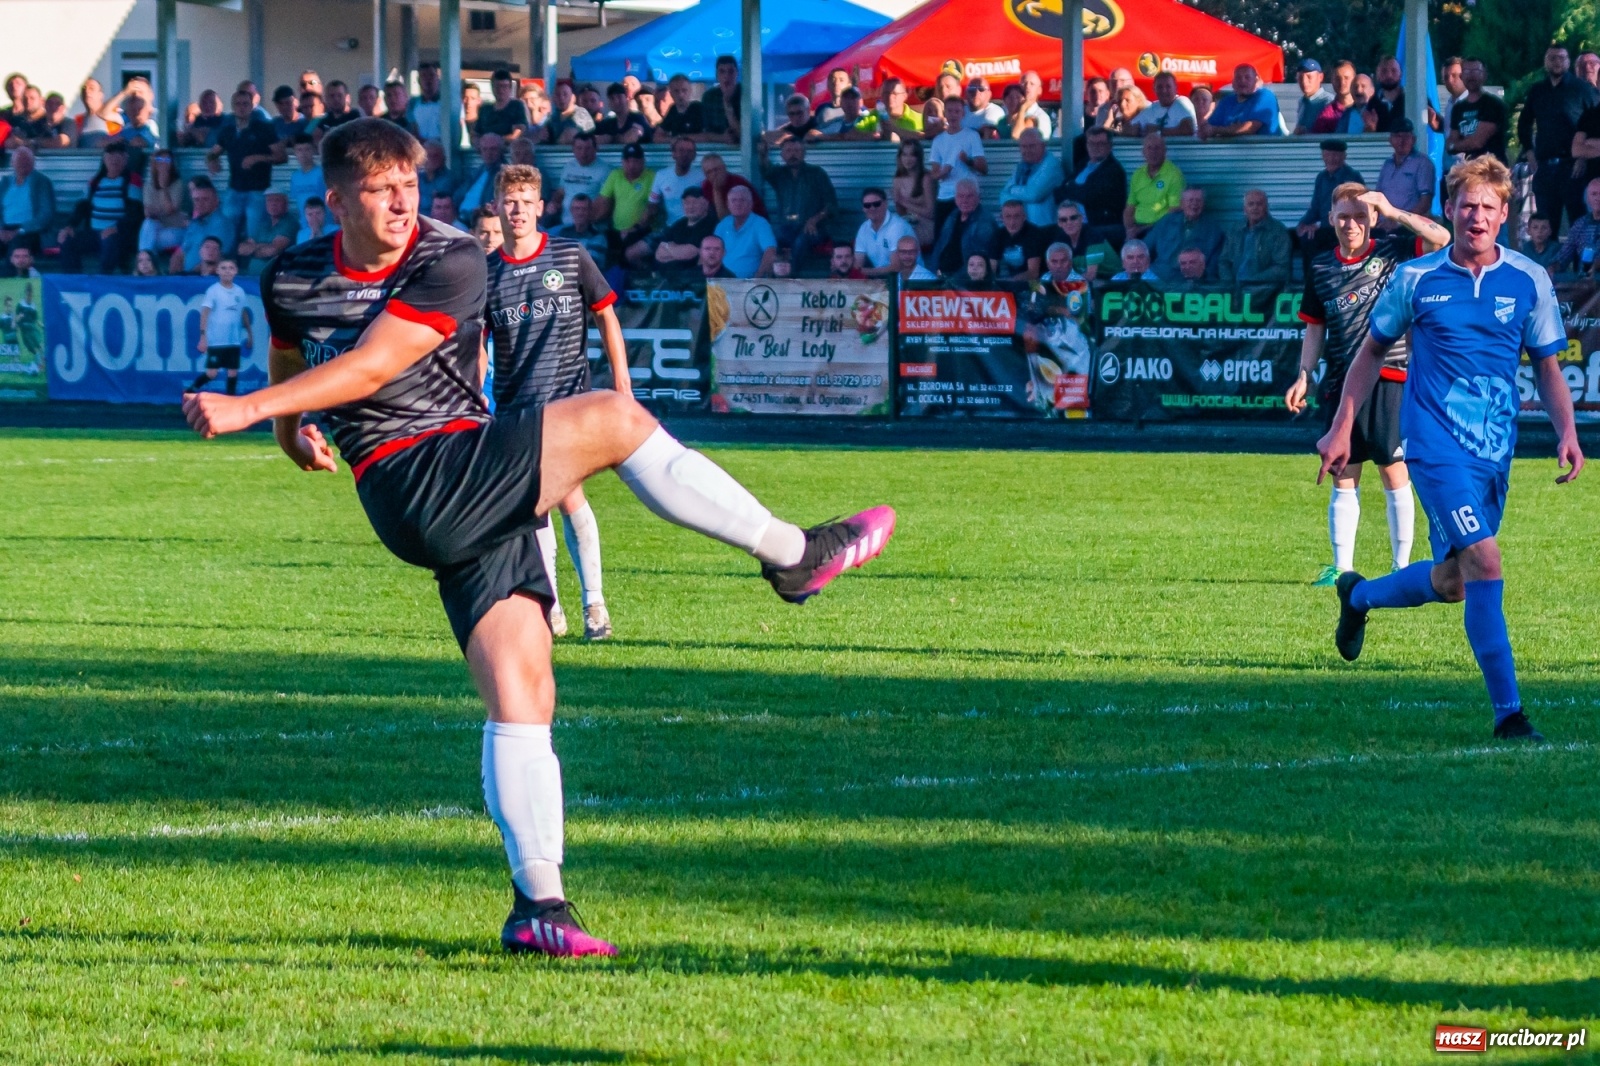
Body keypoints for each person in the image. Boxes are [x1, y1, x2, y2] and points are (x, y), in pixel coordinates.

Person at [182, 118, 894, 958]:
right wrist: (281, 427)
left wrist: (258, 414)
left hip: (467, 471)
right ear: (334, 199)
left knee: (524, 697)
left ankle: (540, 906)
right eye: (378, 189)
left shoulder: (449, 257)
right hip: (417, 480)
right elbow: (291, 358)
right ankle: (795, 556)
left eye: (409, 181)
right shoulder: (291, 275)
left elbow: (374, 361)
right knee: (617, 418)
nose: (401, 200)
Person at [1319, 156, 1581, 743]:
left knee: (1456, 581)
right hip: (1433, 447)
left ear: (1505, 213)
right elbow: (1369, 353)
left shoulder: (1529, 279)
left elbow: (1547, 366)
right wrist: (1342, 428)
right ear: (1450, 210)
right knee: (1486, 561)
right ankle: (1509, 715)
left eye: (1489, 206)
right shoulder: (1416, 281)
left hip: (1494, 451)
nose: (1477, 216)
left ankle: (1357, 595)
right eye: (1467, 205)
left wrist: (1566, 430)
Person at [486, 164, 629, 640]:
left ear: (541, 208)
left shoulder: (570, 256)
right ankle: (557, 607)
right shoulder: (486, 275)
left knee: (567, 496)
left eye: (527, 201)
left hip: (568, 405)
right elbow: (473, 342)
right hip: (515, 410)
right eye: (510, 201)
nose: (518, 209)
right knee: (536, 507)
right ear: (497, 207)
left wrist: (623, 390)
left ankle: (593, 606)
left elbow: (607, 315)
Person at [1290, 182, 1450, 584]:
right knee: (1343, 472)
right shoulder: (1322, 267)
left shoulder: (1393, 251)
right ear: (1330, 219)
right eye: (1343, 216)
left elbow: (1442, 238)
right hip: (1341, 382)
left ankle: (1402, 565)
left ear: (1373, 219)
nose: (1351, 224)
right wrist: (1304, 375)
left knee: (1393, 470)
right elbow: (1314, 329)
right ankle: (1341, 569)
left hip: (1392, 376)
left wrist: (1394, 211)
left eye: (1360, 215)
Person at [1518, 45, 1599, 231]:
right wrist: (1529, 151)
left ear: (1569, 62)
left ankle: (1582, 261)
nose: (1557, 62)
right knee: (1546, 227)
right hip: (1544, 168)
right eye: (1553, 58)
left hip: (1574, 168)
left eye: (1562, 58)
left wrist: (1583, 157)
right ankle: (1550, 261)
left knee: (1580, 224)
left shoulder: (1583, 90)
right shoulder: (1537, 90)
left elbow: (1595, 126)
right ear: (1546, 62)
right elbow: (1524, 124)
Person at [209, 88, 284, 248]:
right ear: (232, 107)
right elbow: (213, 152)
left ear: (252, 106)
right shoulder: (227, 131)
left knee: (254, 234)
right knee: (226, 232)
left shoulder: (264, 128)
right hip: (234, 188)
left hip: (258, 190)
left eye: (245, 104)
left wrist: (258, 158)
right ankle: (227, 264)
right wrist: (212, 160)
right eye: (238, 104)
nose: (242, 107)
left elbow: (281, 156)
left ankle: (251, 268)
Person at [60, 141, 143, 274]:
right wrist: (69, 226)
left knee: (110, 243)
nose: (114, 160)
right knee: (67, 240)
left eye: (119, 156)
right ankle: (74, 282)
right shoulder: (95, 181)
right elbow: (81, 207)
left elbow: (136, 212)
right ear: (104, 159)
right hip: (94, 233)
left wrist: (116, 228)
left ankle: (103, 280)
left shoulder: (133, 180)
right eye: (110, 156)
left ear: (125, 160)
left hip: (118, 234)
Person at [759, 138, 836, 274]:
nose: (792, 154)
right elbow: (765, 168)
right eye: (788, 151)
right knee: (771, 240)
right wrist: (763, 154)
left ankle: (791, 280)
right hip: (788, 228)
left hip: (814, 229)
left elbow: (832, 204)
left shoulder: (817, 173)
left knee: (800, 242)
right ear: (782, 155)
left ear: (804, 153)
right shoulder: (779, 174)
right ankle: (769, 280)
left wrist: (815, 219)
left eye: (797, 150)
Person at [188, 258, 252, 394]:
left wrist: (250, 334)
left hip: (233, 339)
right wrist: (203, 337)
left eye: (231, 268)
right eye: (223, 268)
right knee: (212, 374)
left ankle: (230, 402)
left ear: (236, 271)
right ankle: (190, 391)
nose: (227, 271)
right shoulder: (213, 291)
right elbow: (205, 313)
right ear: (217, 270)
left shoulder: (239, 291)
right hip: (216, 340)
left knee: (233, 372)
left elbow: (243, 312)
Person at [1296, 140, 1363, 263]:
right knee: (1300, 235)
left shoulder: (1352, 177)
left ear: (1344, 156)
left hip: (1344, 228)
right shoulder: (1321, 178)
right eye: (1327, 155)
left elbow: (1349, 211)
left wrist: (1318, 225)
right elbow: (1315, 207)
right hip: (1325, 228)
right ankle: (1311, 281)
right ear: (1322, 156)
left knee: (1314, 238)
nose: (1331, 159)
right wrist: (1303, 224)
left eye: (1336, 155)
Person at [927, 96, 987, 232]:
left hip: (967, 196)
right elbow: (934, 174)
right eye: (950, 111)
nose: (953, 115)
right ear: (944, 113)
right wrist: (944, 172)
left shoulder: (972, 136)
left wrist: (968, 161)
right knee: (942, 239)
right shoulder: (938, 140)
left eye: (957, 111)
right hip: (945, 196)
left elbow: (984, 169)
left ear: (963, 113)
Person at [1144, 187, 1224, 281]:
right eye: (1190, 200)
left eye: (1198, 200)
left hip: (1192, 281)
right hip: (1159, 276)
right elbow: (1144, 247)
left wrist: (1205, 278)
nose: (1194, 204)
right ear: (1181, 204)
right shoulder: (1166, 222)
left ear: (1203, 204)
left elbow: (1215, 262)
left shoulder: (1213, 229)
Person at [1061, 126, 1127, 233]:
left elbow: (1088, 195)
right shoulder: (1083, 164)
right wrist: (1072, 189)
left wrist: (1071, 187)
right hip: (1074, 225)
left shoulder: (1114, 170)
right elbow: (1062, 189)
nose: (1095, 147)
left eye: (1100, 144)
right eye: (1091, 143)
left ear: (1109, 146)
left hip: (1098, 227)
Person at [597, 142, 655, 263]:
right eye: (628, 161)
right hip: (616, 230)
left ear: (643, 161)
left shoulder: (652, 177)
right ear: (622, 162)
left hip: (641, 230)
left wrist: (634, 228)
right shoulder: (615, 175)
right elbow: (602, 201)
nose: (631, 165)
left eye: (636, 161)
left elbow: (652, 209)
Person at [1217, 189, 1291, 283]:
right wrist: (1229, 284)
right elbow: (1223, 261)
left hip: (1265, 290)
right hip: (1234, 289)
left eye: (1259, 204)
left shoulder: (1278, 231)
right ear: (1244, 209)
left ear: (1267, 208)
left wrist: (1252, 284)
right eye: (1251, 204)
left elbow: (1281, 268)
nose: (1255, 207)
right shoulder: (1234, 230)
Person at [1374, 119, 1435, 229]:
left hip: (1410, 228)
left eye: (1406, 136)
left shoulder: (1423, 163)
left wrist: (1399, 222)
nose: (1402, 141)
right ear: (1390, 140)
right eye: (1397, 136)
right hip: (1383, 226)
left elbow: (1425, 202)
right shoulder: (1387, 165)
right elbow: (1377, 196)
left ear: (1413, 139)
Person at [1446, 59, 1508, 165]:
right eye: (1466, 72)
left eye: (1475, 71)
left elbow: (1477, 143)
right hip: (1469, 168)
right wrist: (1459, 144)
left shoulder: (1493, 104)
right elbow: (1449, 145)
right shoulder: (1458, 108)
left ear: (1484, 75)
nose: (1471, 76)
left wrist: (1457, 144)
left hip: (1493, 169)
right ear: (1462, 77)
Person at [1123, 131, 1184, 240]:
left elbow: (1174, 212)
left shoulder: (1174, 175)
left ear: (1165, 151)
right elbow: (1129, 208)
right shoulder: (1138, 174)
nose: (1153, 152)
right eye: (1149, 148)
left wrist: (1141, 230)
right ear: (1143, 152)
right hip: (1137, 228)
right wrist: (1129, 229)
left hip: (1161, 229)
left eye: (1157, 148)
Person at [930, 178, 996, 277]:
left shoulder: (984, 222)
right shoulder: (953, 215)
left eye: (969, 196)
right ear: (955, 198)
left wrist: (954, 280)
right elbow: (940, 246)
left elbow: (977, 264)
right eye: (961, 196)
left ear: (978, 198)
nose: (964, 200)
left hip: (962, 281)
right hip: (942, 277)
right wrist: (933, 272)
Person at [1002, 129, 1064, 228]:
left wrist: (1012, 189)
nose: (1027, 151)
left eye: (1031, 146)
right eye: (1023, 147)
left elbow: (1034, 194)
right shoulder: (1021, 166)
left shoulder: (1052, 165)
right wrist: (1019, 193)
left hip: (1045, 229)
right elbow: (1003, 197)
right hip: (1023, 229)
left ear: (1043, 146)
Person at [172, 176, 234, 274]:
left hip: (203, 278)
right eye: (196, 200)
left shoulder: (222, 224)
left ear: (216, 200)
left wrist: (189, 275)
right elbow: (183, 249)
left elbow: (214, 259)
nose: (200, 204)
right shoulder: (194, 223)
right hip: (185, 277)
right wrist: (177, 257)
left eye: (205, 199)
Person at [1200, 64, 1281, 138]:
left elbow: (1249, 128)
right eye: (1238, 77)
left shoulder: (1265, 96)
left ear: (1256, 81)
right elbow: (1208, 127)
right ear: (1233, 82)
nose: (1242, 81)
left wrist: (1216, 130)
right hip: (1231, 151)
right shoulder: (1227, 101)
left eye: (1247, 77)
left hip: (1265, 151)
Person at [712, 184, 776, 277]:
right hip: (721, 283)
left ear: (751, 204)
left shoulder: (760, 224)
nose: (738, 204)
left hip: (748, 285)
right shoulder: (723, 224)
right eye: (733, 200)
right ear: (728, 205)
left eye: (742, 200)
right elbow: (709, 249)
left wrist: (757, 280)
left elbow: (771, 251)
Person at [0, 147, 55, 254]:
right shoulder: (5, 182)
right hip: (4, 228)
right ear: (12, 163)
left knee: (16, 249)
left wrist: (19, 231)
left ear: (33, 163)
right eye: (19, 161)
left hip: (29, 231)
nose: (22, 164)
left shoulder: (42, 182)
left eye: (26, 161)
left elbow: (46, 214)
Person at [649, 187, 717, 271]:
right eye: (687, 203)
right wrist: (678, 252)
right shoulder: (679, 224)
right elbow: (659, 254)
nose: (690, 207)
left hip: (692, 278)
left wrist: (669, 247)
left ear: (706, 204)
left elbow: (690, 253)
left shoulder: (710, 224)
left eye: (695, 202)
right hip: (668, 275)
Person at [853, 186, 916, 277]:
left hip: (909, 280)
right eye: (867, 205)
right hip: (884, 280)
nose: (872, 208)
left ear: (886, 204)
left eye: (876, 204)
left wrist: (863, 272)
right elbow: (857, 264)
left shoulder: (897, 226)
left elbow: (896, 267)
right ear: (863, 208)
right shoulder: (863, 228)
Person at [551, 132, 608, 227]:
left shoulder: (605, 170)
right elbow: (561, 192)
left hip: (591, 227)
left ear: (595, 149)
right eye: (579, 148)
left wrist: (586, 223)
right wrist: (554, 203)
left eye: (588, 149)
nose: (583, 153)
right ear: (573, 150)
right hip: (565, 224)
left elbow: (606, 204)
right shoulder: (568, 167)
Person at [236, 190, 298, 275]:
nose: (273, 204)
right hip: (253, 276)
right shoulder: (263, 222)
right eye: (269, 200)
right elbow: (241, 249)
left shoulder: (290, 222)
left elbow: (274, 250)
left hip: (273, 277)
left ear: (286, 204)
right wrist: (264, 246)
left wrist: (253, 249)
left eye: (277, 200)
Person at [646, 137, 702, 227]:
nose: (685, 154)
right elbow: (652, 205)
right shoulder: (661, 175)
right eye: (681, 150)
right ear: (673, 154)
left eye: (689, 151)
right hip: (670, 227)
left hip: (696, 227)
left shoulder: (702, 177)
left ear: (694, 156)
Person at [891, 140, 937, 248]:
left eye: (912, 155)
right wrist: (897, 202)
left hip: (925, 225)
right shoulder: (897, 179)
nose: (908, 159)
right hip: (908, 222)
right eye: (905, 154)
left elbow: (931, 213)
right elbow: (901, 212)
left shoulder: (926, 178)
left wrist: (903, 201)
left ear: (918, 157)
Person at [988, 199, 1046, 282]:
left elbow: (1033, 273)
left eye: (1016, 216)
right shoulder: (997, 235)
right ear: (1001, 218)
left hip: (1036, 284)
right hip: (1010, 283)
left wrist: (1010, 282)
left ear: (1024, 217)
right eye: (1008, 217)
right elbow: (991, 269)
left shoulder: (1034, 234)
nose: (1012, 222)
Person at [1552, 177, 1600, 274]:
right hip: (1583, 280)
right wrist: (1552, 268)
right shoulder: (1580, 225)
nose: (1598, 198)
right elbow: (1563, 256)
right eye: (1594, 194)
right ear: (1587, 198)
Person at [700, 153, 765, 219]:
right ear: (705, 175)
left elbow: (726, 219)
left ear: (724, 168)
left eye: (716, 170)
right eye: (709, 172)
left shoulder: (738, 184)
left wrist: (717, 191)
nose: (714, 174)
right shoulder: (706, 186)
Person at [552, 194, 611, 267]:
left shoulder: (598, 237)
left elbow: (589, 265)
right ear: (571, 211)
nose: (580, 213)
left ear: (590, 211)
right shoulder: (563, 233)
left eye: (584, 209)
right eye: (577, 209)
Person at [455, 134, 505, 218]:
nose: (489, 153)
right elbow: (458, 195)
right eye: (485, 149)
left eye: (493, 149)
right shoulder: (477, 171)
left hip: (480, 219)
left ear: (500, 151)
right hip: (460, 216)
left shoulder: (503, 174)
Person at [1136, 72, 1196, 137]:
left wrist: (1157, 131)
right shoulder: (1151, 108)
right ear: (1154, 89)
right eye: (1160, 87)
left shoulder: (1182, 102)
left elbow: (1188, 130)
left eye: (1168, 86)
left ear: (1176, 88)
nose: (1164, 90)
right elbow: (1132, 127)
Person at [477, 70, 531, 142]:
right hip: (486, 151)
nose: (501, 90)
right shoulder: (485, 109)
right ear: (492, 87)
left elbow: (517, 134)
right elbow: (475, 134)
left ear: (510, 88)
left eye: (504, 86)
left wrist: (494, 141)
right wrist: (479, 144)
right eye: (497, 86)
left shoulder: (517, 106)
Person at [700, 55, 741, 142]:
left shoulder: (746, 95)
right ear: (717, 75)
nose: (727, 76)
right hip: (717, 148)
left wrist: (727, 103)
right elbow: (706, 132)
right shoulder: (709, 97)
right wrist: (722, 138)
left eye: (731, 71)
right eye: (722, 71)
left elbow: (748, 134)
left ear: (737, 73)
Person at [543, 81, 594, 145]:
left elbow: (592, 137)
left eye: (565, 94)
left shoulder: (582, 114)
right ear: (553, 99)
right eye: (558, 95)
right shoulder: (552, 118)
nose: (561, 98)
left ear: (573, 98)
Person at [1365, 56, 1407, 133]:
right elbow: (1368, 135)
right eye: (1384, 71)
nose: (1389, 75)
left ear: (1401, 74)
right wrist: (1370, 129)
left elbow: (1435, 124)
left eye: (1394, 71)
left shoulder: (1412, 99)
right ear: (1377, 76)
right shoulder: (1373, 103)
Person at [1292, 59, 1334, 135]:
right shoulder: (1302, 101)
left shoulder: (1329, 102)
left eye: (1309, 77)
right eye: (1301, 77)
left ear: (1320, 77)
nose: (1304, 81)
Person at [658, 75, 705, 139]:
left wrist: (679, 139)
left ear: (690, 91)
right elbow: (657, 136)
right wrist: (675, 140)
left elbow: (707, 135)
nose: (680, 95)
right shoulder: (673, 110)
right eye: (676, 91)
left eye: (684, 90)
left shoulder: (698, 108)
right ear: (671, 93)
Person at [406, 62, 443, 143]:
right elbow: (412, 128)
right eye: (424, 76)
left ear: (438, 78)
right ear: (418, 80)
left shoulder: (446, 104)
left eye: (431, 75)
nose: (428, 79)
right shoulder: (412, 103)